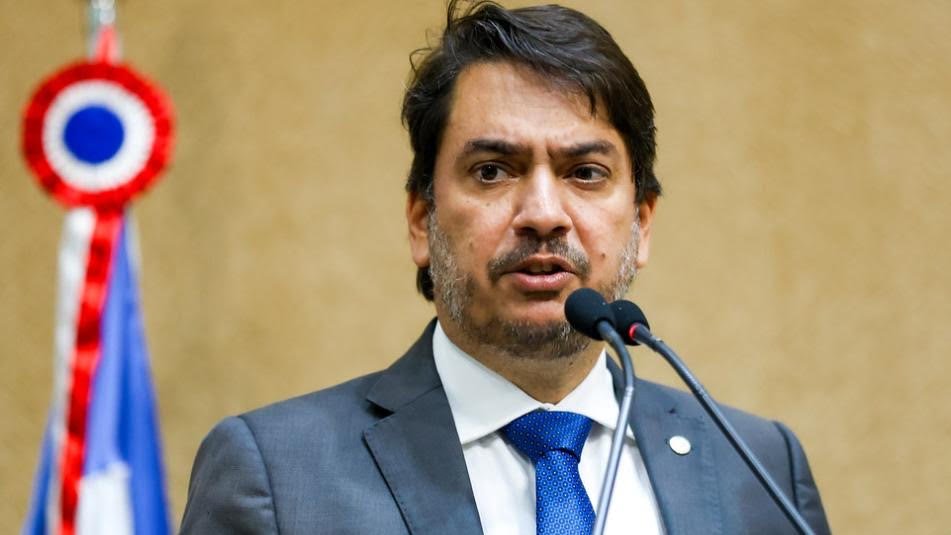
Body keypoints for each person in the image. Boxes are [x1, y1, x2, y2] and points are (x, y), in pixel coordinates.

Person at [180, 2, 831, 533]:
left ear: (642, 223)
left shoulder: (757, 468)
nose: (543, 214)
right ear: (421, 219)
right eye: (492, 170)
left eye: (585, 173)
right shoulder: (278, 477)